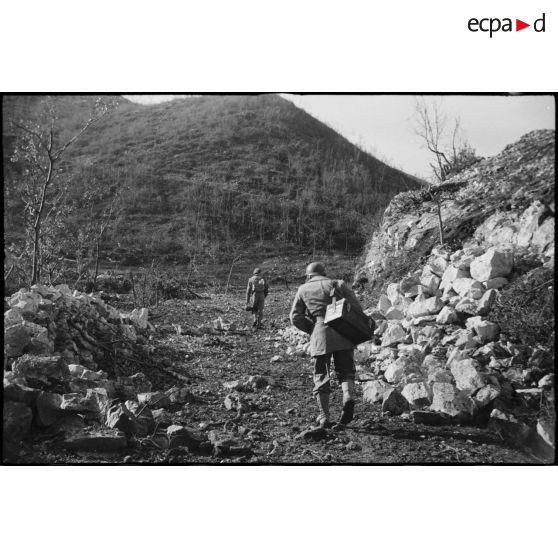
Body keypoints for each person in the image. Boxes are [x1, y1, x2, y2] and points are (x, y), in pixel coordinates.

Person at [289, 261, 363, 429]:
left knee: (321, 374)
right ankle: (348, 396)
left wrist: (312, 328)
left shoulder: (303, 289)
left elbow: (295, 317)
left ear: (309, 275)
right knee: (346, 371)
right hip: (344, 332)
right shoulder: (338, 284)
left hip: (320, 334)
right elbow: (357, 309)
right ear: (324, 273)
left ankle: (324, 416)